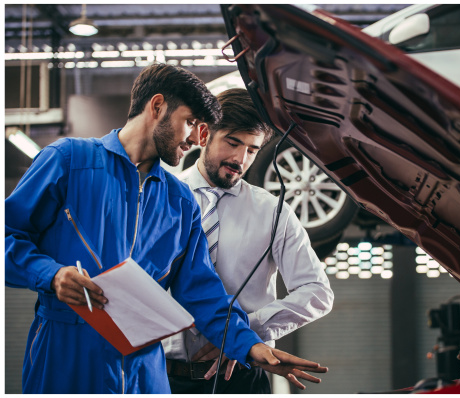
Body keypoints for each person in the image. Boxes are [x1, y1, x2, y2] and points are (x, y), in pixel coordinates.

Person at [4, 63, 327, 394]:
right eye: (190, 122)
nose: (195, 138)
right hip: (65, 356)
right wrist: (51, 275)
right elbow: (7, 236)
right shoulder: (69, 160)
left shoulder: (180, 201)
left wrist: (250, 346)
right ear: (157, 107)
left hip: (145, 371)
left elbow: (203, 292)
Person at [163, 88, 334, 393]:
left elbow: (317, 292)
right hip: (164, 378)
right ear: (204, 134)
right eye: (233, 143)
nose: (240, 159)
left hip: (240, 379)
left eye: (252, 150)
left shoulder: (273, 211)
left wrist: (242, 334)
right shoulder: (161, 197)